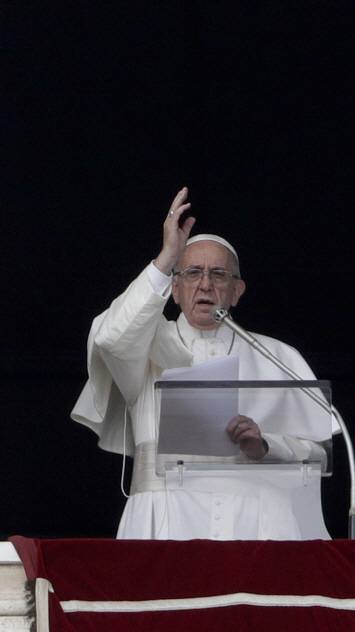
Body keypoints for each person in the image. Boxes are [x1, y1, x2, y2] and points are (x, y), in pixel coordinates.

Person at [72, 187, 335, 540]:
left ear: (237, 291)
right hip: (163, 519)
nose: (206, 284)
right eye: (192, 273)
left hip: (257, 526)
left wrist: (265, 444)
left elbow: (317, 451)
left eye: (219, 275)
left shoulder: (278, 357)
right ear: (175, 290)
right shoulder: (143, 349)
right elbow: (110, 338)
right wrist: (166, 258)